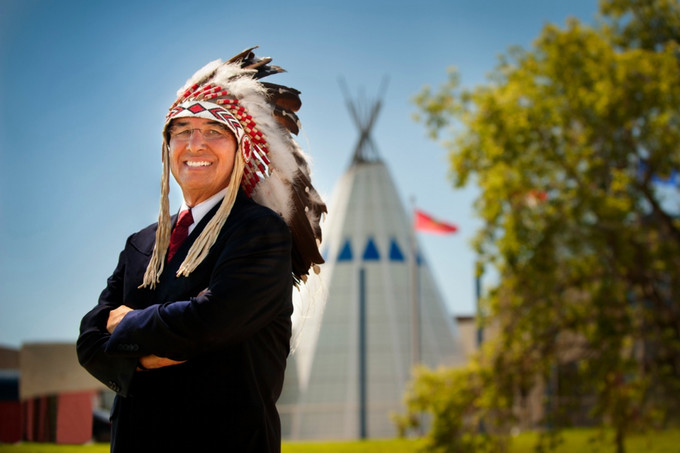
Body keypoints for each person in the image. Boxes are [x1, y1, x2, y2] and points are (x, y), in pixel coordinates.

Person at [77, 47, 326, 452]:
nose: (196, 144)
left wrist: (124, 327)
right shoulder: (142, 243)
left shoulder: (259, 232)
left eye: (214, 131)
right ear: (167, 145)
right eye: (183, 130)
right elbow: (88, 340)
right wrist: (142, 356)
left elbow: (209, 321)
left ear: (241, 148)